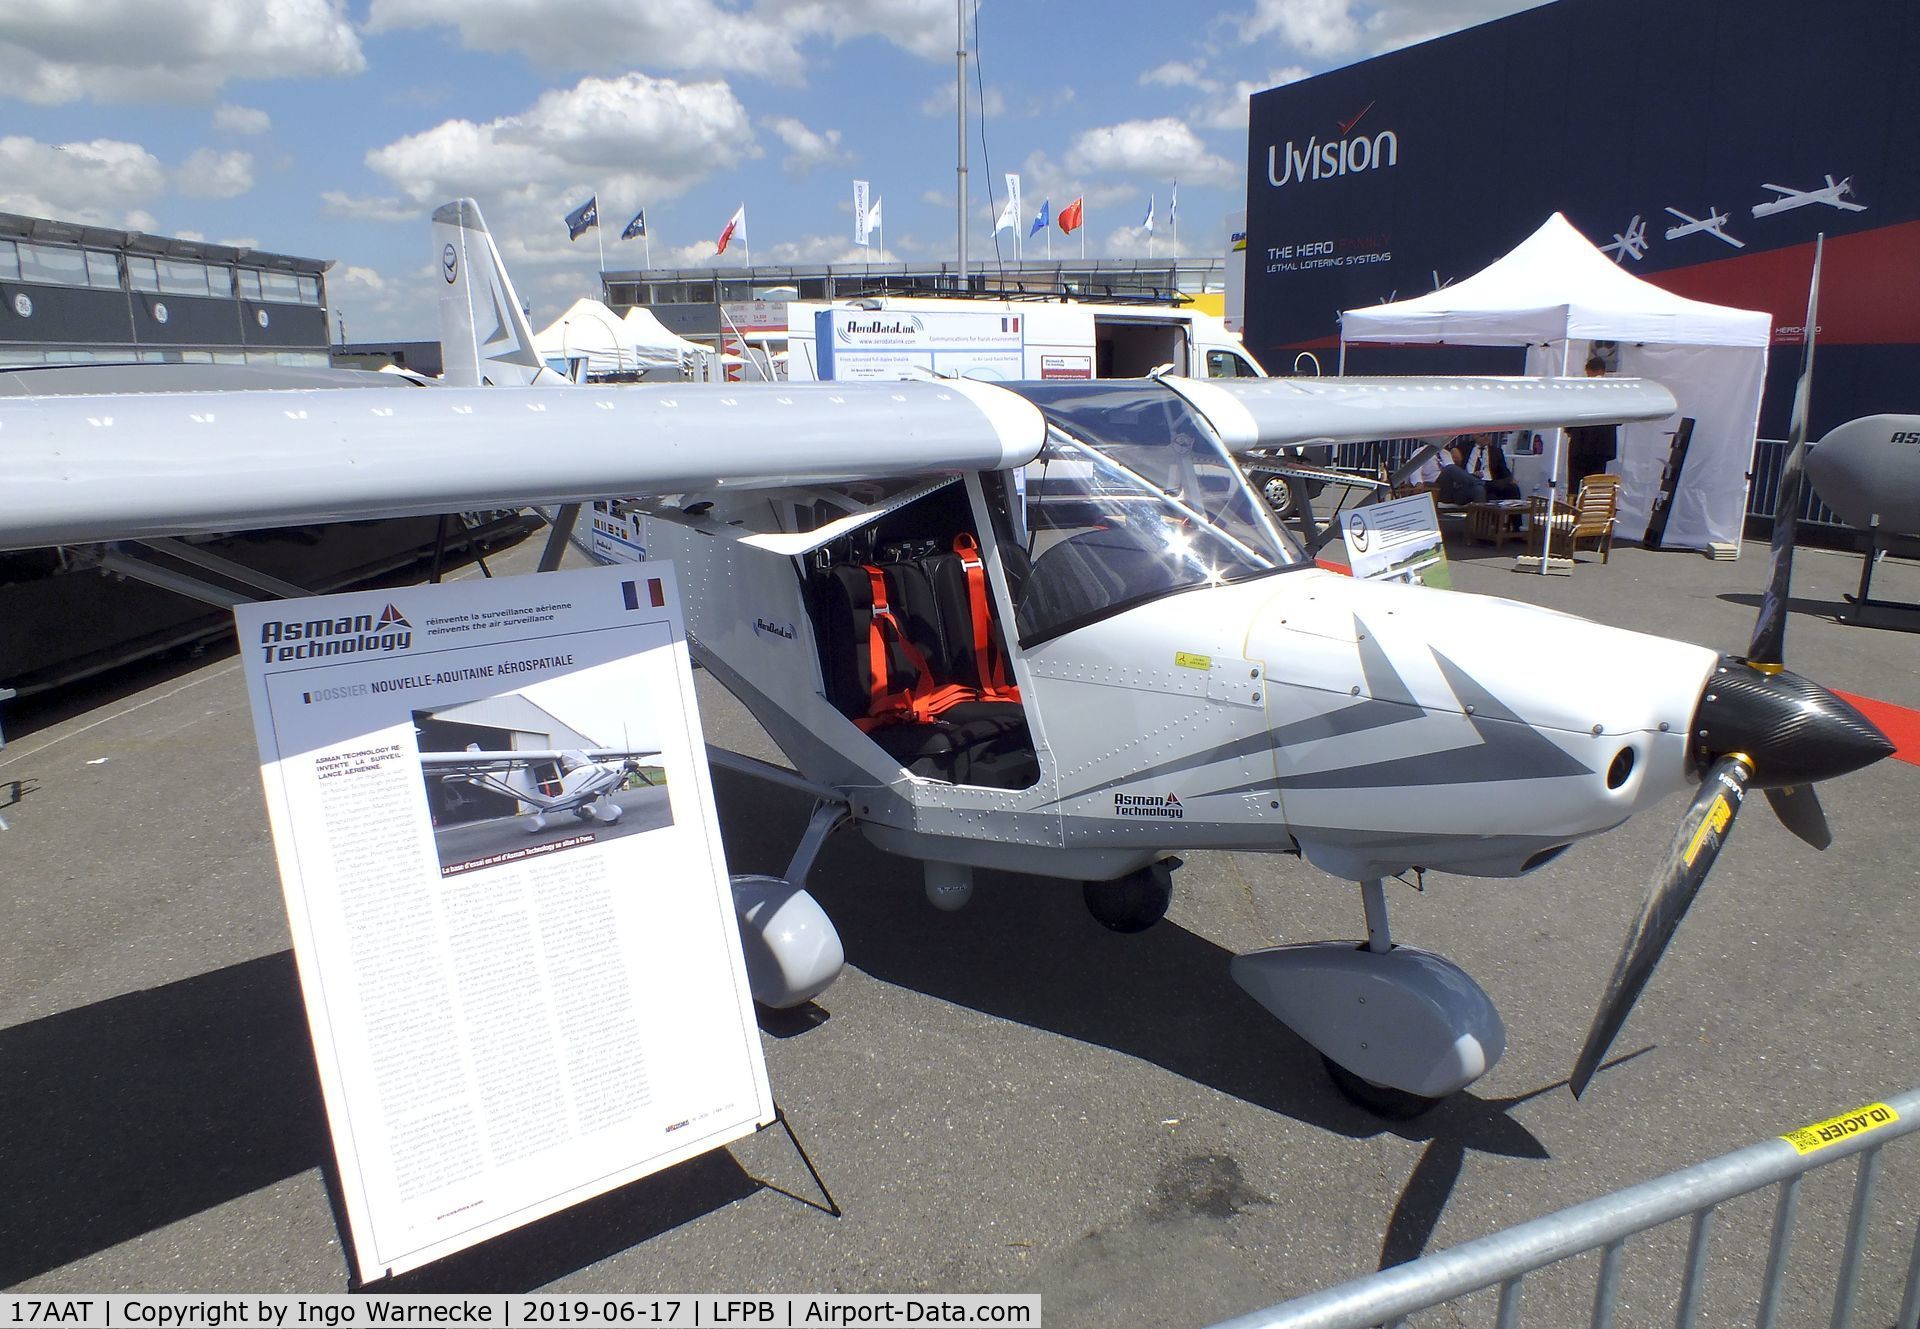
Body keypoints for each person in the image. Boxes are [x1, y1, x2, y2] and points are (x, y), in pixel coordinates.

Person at [1566, 355, 1619, 488]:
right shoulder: (1613, 393)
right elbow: (1619, 418)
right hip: (1601, 448)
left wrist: (1570, 430)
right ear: (1604, 371)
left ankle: (1575, 506)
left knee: (1575, 485)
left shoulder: (1579, 391)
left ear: (1588, 371)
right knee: (1595, 486)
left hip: (1580, 445)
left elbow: (1569, 418)